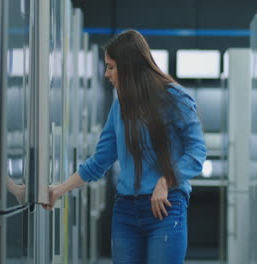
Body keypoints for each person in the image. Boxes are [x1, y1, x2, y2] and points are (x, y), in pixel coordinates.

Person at [43, 29, 207, 264]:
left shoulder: (174, 98)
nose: (106, 73)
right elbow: (100, 161)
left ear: (129, 67)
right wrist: (59, 189)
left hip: (166, 207)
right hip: (126, 212)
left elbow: (197, 152)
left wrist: (165, 181)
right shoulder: (120, 106)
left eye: (111, 66)